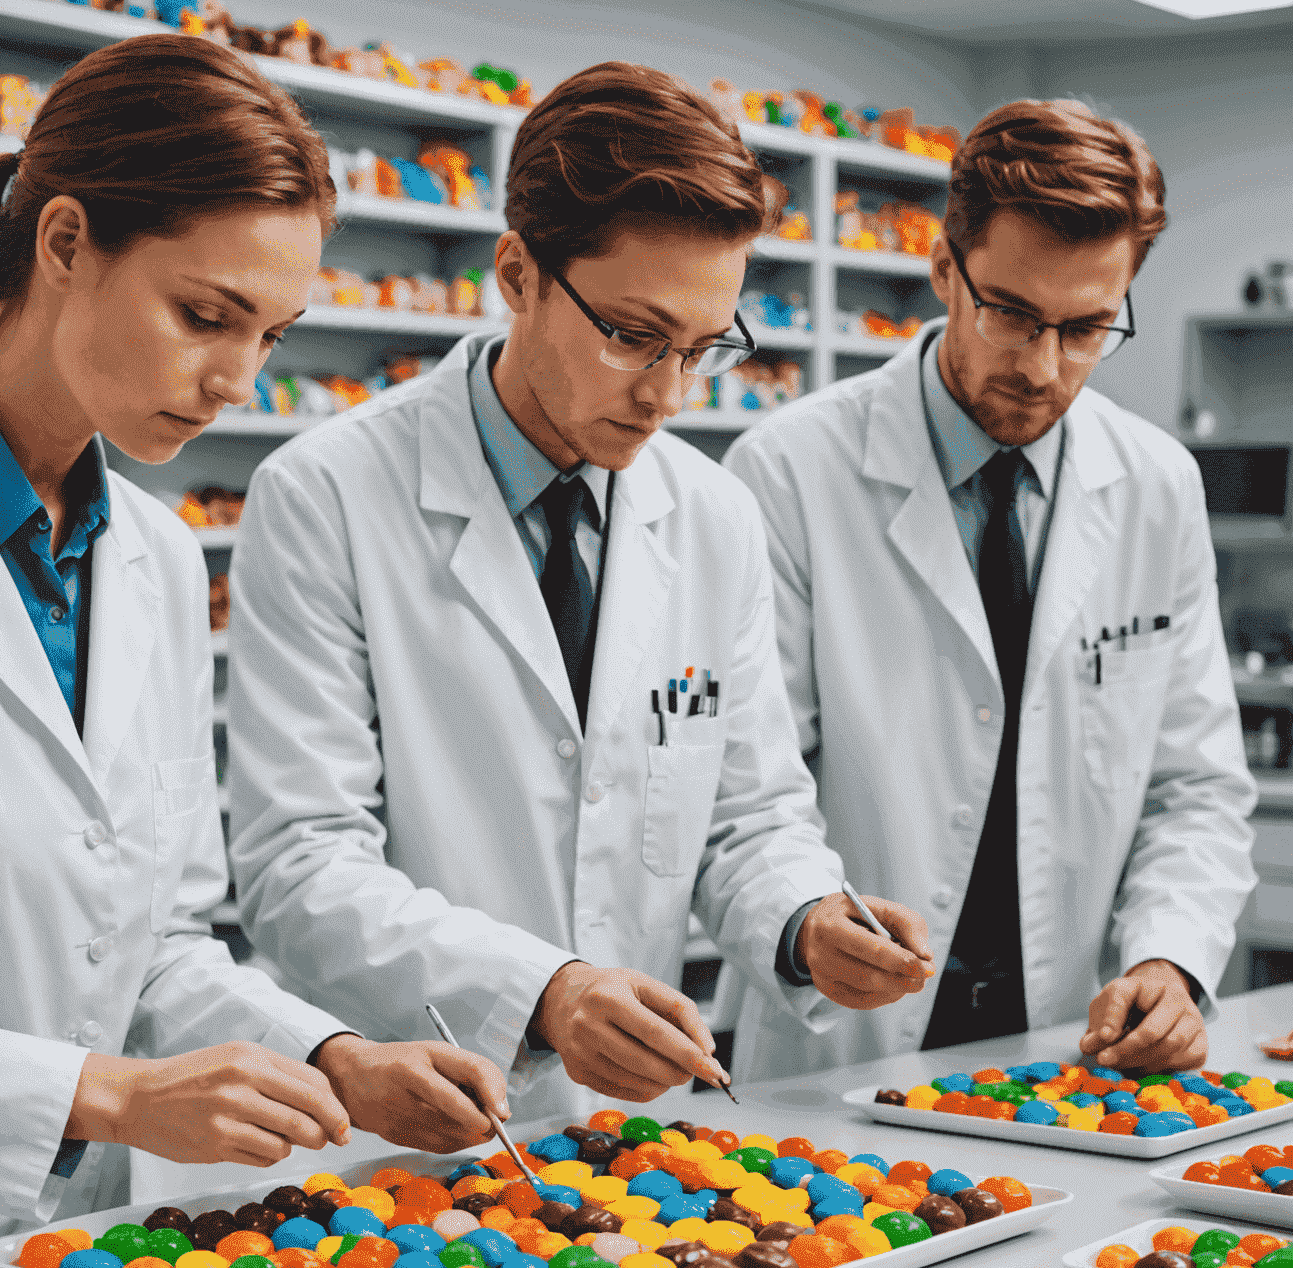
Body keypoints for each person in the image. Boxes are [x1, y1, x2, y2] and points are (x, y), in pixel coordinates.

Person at [0, 35, 507, 1268]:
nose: (234, 381)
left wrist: (334, 1058)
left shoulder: (153, 555)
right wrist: (106, 1094)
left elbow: (152, 943)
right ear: (62, 244)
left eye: (271, 334)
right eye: (205, 315)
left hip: (85, 1247)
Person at [226, 62, 936, 1126]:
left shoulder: (712, 514)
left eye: (701, 349)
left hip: (624, 1130)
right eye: (631, 335)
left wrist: (804, 919)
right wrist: (543, 992)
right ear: (517, 274)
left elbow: (747, 815)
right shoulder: (326, 495)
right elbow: (300, 864)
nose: (665, 393)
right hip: (403, 1122)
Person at [725, 99, 1256, 1079]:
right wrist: (802, 913)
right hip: (848, 1043)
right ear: (943, 269)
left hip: (1070, 1040)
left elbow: (1194, 786)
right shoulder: (789, 472)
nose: (1043, 366)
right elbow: (750, 787)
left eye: (1089, 326)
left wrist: (1169, 958)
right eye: (1010, 313)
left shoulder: (1155, 483)